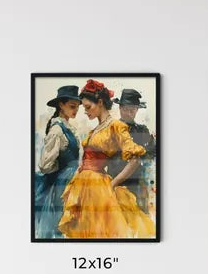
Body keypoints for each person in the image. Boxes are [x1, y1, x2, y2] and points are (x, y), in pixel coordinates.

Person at [58, 79, 151, 239]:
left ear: (100, 102)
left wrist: (114, 184)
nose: (85, 112)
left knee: (100, 230)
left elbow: (135, 159)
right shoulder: (95, 129)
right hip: (82, 186)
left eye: (88, 107)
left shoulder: (116, 126)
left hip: (99, 187)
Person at [34, 84, 82, 239]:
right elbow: (44, 164)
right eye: (72, 106)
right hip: (62, 183)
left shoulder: (68, 127)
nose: (75, 110)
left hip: (73, 179)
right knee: (60, 223)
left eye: (77, 107)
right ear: (61, 105)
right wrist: (62, 170)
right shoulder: (57, 130)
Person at [108, 88, 157, 222]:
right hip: (116, 181)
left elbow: (154, 149)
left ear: (137, 110)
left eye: (133, 109)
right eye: (126, 109)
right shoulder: (112, 129)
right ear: (120, 108)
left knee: (140, 219)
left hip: (137, 182)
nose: (129, 113)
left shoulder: (142, 130)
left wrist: (140, 156)